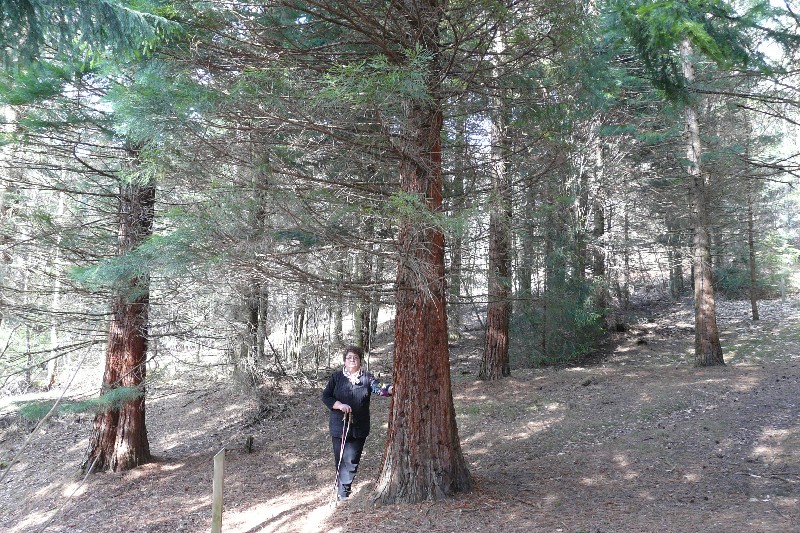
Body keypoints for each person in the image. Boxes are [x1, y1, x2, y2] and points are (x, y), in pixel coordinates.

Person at [321, 345, 393, 501]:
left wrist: (392, 389)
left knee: (352, 460)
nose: (352, 360)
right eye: (349, 358)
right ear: (344, 361)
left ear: (360, 360)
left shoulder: (367, 377)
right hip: (338, 426)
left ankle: (343, 492)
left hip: (359, 427)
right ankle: (342, 493)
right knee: (340, 459)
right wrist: (339, 405)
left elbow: (379, 388)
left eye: (355, 357)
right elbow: (326, 396)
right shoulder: (336, 377)